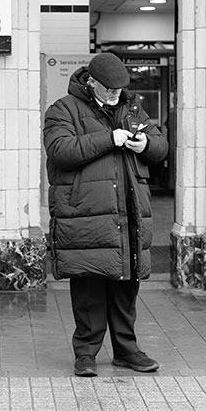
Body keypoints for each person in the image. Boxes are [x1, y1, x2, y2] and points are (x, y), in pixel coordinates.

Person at [43, 52, 169, 377]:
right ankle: (86, 353)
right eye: (109, 90)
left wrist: (146, 145)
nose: (115, 96)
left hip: (129, 213)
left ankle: (127, 351)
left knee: (127, 286)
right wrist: (108, 138)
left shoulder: (131, 108)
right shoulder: (63, 109)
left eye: (119, 90)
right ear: (91, 82)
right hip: (87, 214)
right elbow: (60, 150)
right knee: (90, 286)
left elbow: (160, 145)